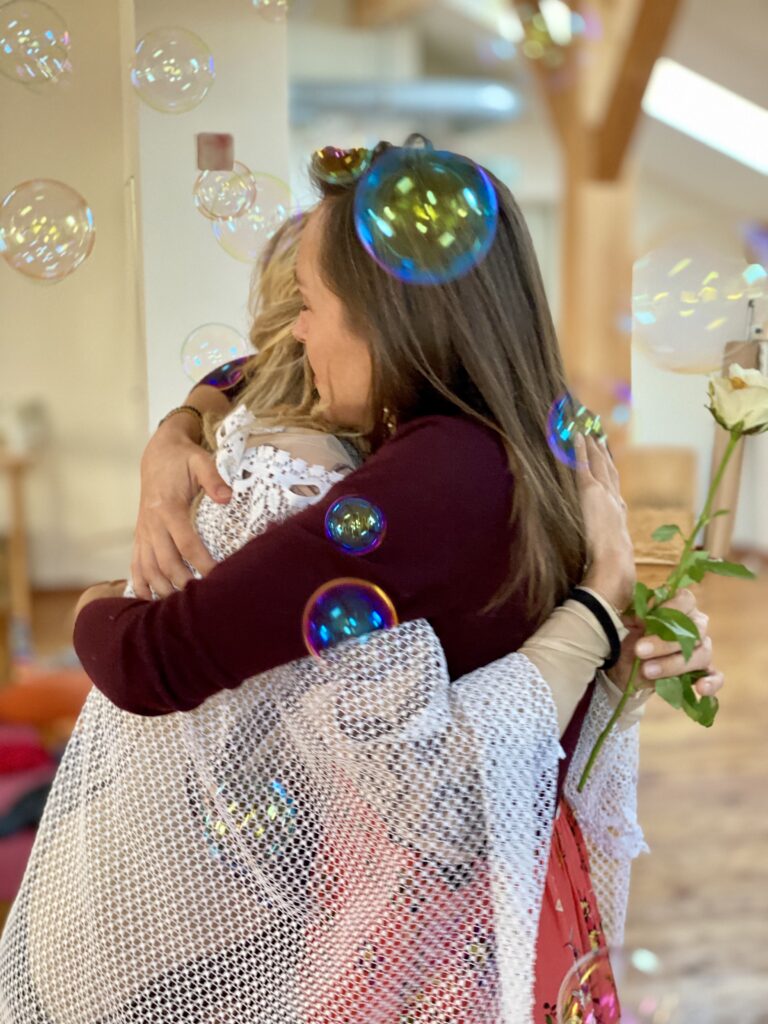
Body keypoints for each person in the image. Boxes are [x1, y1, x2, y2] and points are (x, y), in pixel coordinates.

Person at [0, 149, 722, 1024]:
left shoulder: (430, 479)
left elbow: (151, 661)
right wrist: (180, 425)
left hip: (416, 933)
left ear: (385, 315)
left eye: (308, 303)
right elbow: (251, 362)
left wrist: (95, 599)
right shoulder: (533, 421)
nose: (296, 335)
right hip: (513, 882)